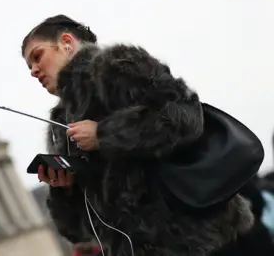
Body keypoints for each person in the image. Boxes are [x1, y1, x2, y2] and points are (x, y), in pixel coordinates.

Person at [22, 14, 254, 256]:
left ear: (66, 42)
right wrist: (64, 190)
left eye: (37, 56)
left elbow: (184, 116)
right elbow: (81, 233)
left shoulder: (115, 65)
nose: (34, 71)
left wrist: (104, 135)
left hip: (205, 239)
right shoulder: (59, 124)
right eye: (29, 67)